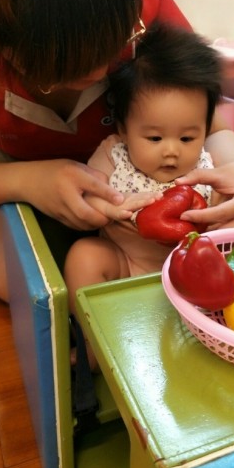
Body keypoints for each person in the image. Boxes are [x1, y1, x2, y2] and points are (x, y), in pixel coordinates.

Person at [0, 0, 234, 304]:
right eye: (68, 66)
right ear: (0, 47)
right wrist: (25, 180)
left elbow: (206, 123)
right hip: (6, 161)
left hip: (125, 197)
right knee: (34, 293)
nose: (101, 72)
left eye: (115, 45)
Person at [64, 23, 221, 339]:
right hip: (126, 263)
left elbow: (222, 211)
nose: (171, 151)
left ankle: (208, 330)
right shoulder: (114, 155)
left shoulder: (206, 167)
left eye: (187, 138)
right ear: (123, 129)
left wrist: (213, 218)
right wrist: (112, 207)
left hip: (188, 274)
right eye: (154, 138)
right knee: (84, 255)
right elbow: (88, 193)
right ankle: (93, 341)